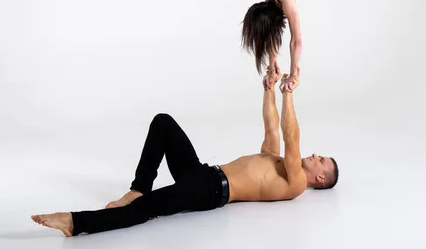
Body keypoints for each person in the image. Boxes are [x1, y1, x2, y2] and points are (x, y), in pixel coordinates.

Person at [31, 74, 338, 237]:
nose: (314, 155)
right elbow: (273, 126)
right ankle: (138, 187)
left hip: (210, 192)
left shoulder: (295, 182)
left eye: (321, 159)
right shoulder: (279, 163)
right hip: (203, 174)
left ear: (320, 178)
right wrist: (270, 88)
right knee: (163, 122)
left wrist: (289, 92)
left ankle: (75, 223)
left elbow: (290, 136)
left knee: (147, 208)